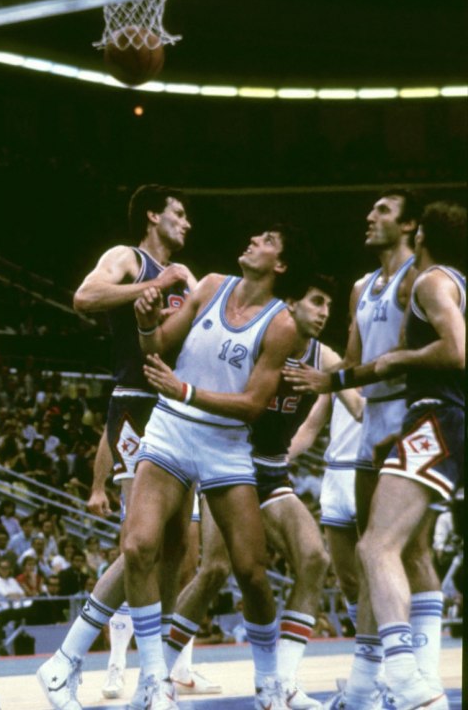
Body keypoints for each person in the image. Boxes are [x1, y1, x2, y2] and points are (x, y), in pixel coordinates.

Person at [121, 225, 313, 709]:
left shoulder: (281, 324)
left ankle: (269, 682)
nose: (253, 240)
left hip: (225, 444)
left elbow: (252, 405)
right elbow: (155, 350)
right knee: (137, 547)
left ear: (280, 265)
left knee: (250, 571)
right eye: (255, 235)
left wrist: (184, 389)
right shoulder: (209, 286)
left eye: (267, 240)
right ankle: (153, 680)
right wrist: (146, 323)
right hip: (171, 429)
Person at [37, 184, 214, 708]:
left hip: (180, 410)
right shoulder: (128, 258)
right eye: (179, 214)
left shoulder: (187, 275)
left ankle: (147, 676)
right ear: (154, 216)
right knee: (140, 544)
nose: (187, 223)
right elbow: (84, 297)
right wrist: (155, 282)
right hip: (137, 404)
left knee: (178, 552)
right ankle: (82, 663)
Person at [288, 200, 465, 709]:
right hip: (382, 421)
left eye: (383, 210)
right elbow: (361, 361)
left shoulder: (424, 279)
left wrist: (389, 362)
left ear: (413, 227)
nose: (369, 216)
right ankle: (367, 685)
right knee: (376, 553)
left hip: (420, 412)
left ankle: (414, 677)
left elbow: (443, 351)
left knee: (398, 550)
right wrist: (332, 382)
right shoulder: (364, 287)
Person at [160, 277, 354, 709]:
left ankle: (282, 682)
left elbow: (350, 403)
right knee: (214, 570)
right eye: (317, 301)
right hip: (229, 463)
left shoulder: (324, 358)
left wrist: (361, 395)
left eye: (329, 305)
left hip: (270, 471)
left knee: (314, 558)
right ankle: (160, 674)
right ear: (291, 304)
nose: (324, 312)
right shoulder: (262, 338)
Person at [288, 386, 365, 634]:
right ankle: (368, 648)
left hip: (371, 471)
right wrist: (279, 457)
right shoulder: (336, 379)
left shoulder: (387, 371)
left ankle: (391, 649)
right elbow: (310, 427)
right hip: (336, 475)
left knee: (377, 573)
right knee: (348, 582)